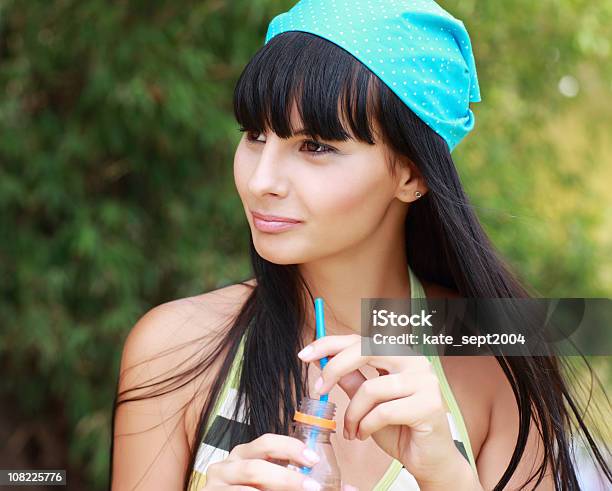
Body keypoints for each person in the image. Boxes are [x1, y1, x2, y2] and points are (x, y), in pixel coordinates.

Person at [109, 1, 611, 490]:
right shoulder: (176, 349)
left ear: (412, 174)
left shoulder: (493, 356)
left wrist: (448, 479)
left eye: (316, 147)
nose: (262, 180)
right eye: (255, 135)